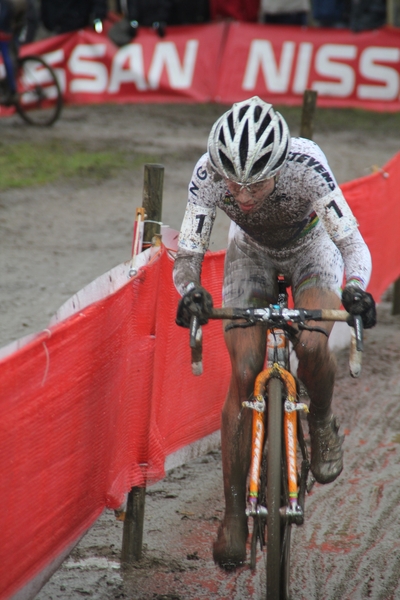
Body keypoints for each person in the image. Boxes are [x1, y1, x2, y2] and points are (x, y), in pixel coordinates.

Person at [173, 96, 376, 570]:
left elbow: (351, 243)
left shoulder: (307, 165)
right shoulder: (207, 173)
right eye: (233, 185)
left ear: (280, 166)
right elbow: (188, 255)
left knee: (311, 342)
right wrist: (191, 292)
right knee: (243, 370)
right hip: (251, 255)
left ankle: (321, 421)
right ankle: (232, 515)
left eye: (256, 184)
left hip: (312, 252)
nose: (241, 197)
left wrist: (355, 290)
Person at [0, 0, 37, 104]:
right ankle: (10, 79)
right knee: (12, 45)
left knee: (4, 45)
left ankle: (12, 90)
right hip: (21, 7)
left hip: (8, 7)